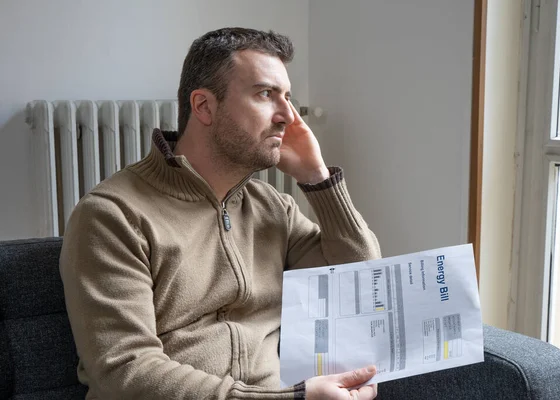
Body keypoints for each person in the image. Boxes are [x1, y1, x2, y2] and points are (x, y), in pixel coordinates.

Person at [60, 27, 381, 399]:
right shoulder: (112, 215)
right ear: (204, 106)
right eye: (266, 94)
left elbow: (360, 282)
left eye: (288, 98)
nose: (288, 117)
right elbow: (126, 371)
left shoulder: (274, 207)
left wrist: (318, 180)